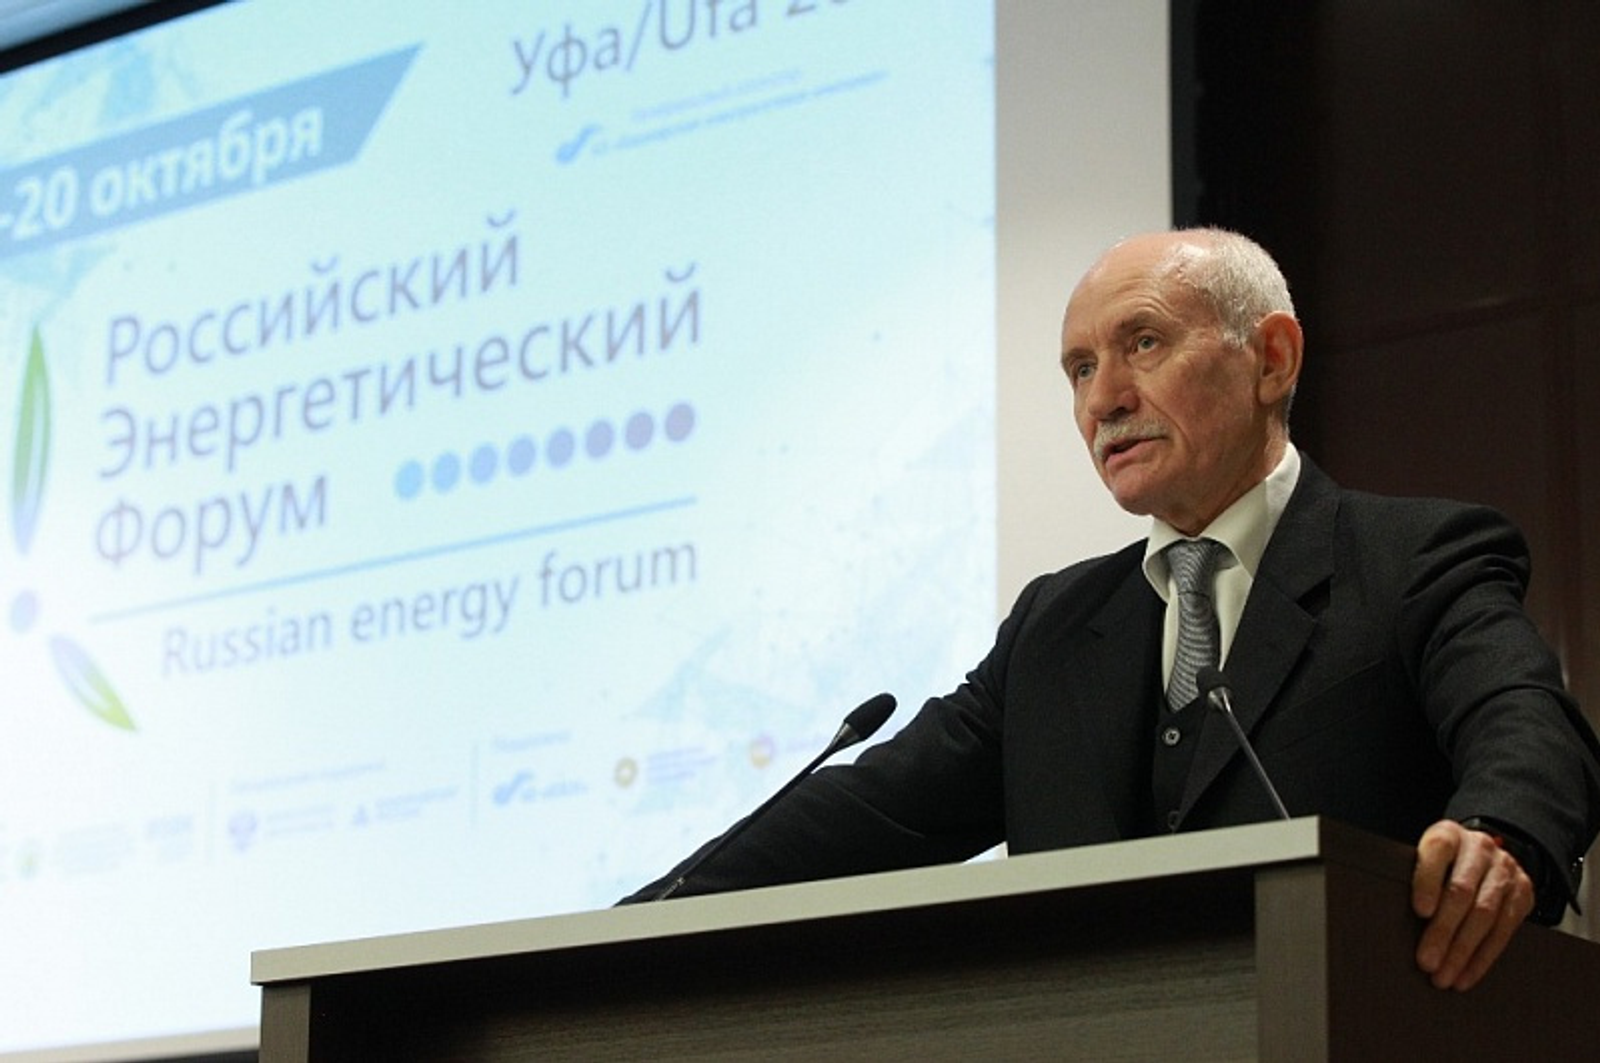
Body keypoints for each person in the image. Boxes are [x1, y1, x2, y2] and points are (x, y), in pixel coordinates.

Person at [622, 228, 1600, 992]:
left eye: (1143, 343)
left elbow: (1527, 725)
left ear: (1271, 358)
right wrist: (642, 918)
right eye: (1080, 369)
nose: (1103, 399)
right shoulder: (1054, 628)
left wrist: (1499, 834)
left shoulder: (1412, 559)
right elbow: (874, 810)